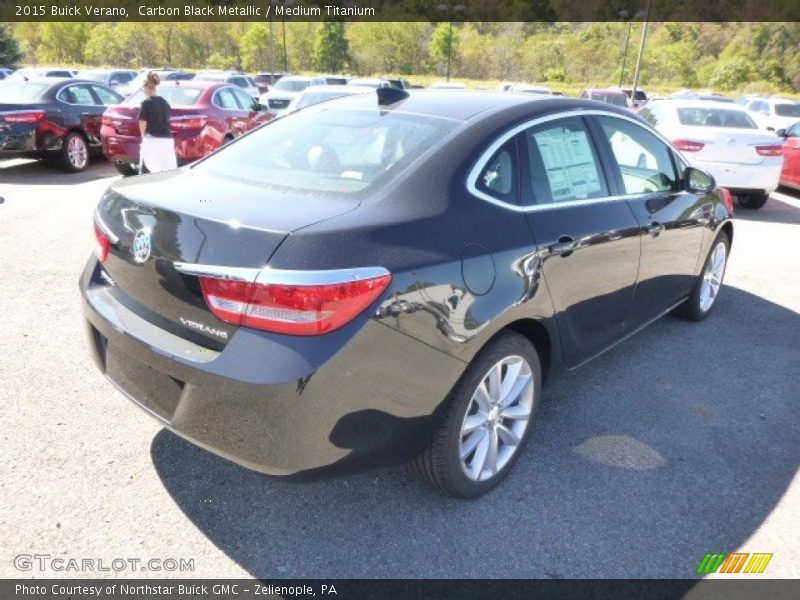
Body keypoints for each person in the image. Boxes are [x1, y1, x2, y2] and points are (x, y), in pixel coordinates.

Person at [137, 71, 177, 174]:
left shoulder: (146, 103)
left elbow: (143, 122)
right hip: (167, 141)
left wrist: (142, 137)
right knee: (167, 173)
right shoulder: (165, 102)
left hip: (153, 141)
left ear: (146, 87)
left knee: (147, 172)